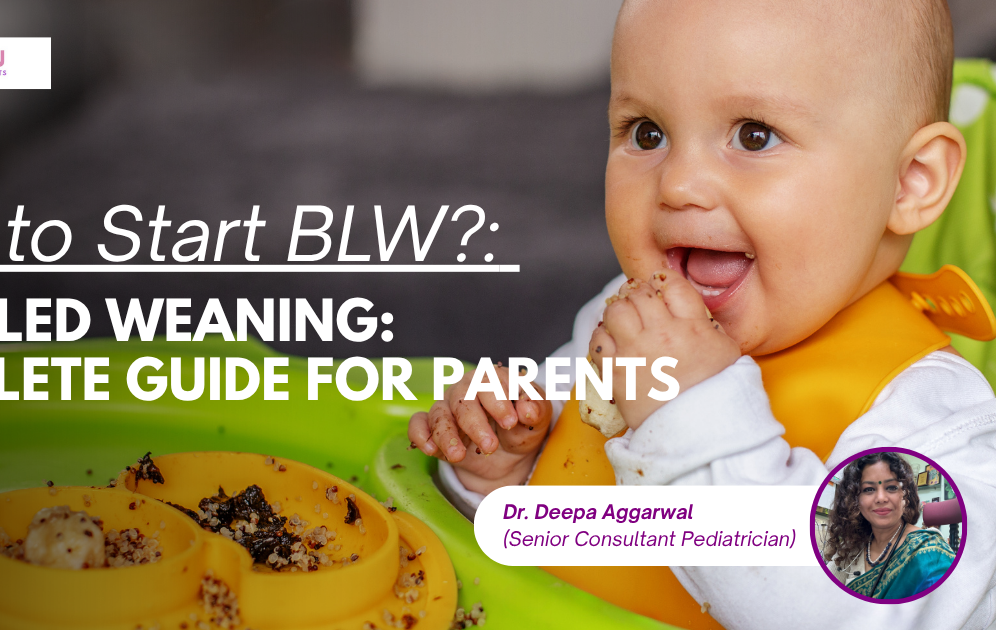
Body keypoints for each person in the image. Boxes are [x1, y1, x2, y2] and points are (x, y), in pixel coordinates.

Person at [408, 0, 996, 628]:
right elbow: (542, 539)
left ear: (910, 180)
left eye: (754, 135)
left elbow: (838, 607)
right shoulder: (625, 322)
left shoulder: (933, 421)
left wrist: (688, 416)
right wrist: (499, 471)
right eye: (647, 133)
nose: (678, 184)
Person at [822, 452, 956, 599]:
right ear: (855, 501)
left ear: (905, 495)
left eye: (891, 487)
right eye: (868, 489)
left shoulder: (929, 552)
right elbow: (821, 594)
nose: (881, 498)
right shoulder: (852, 549)